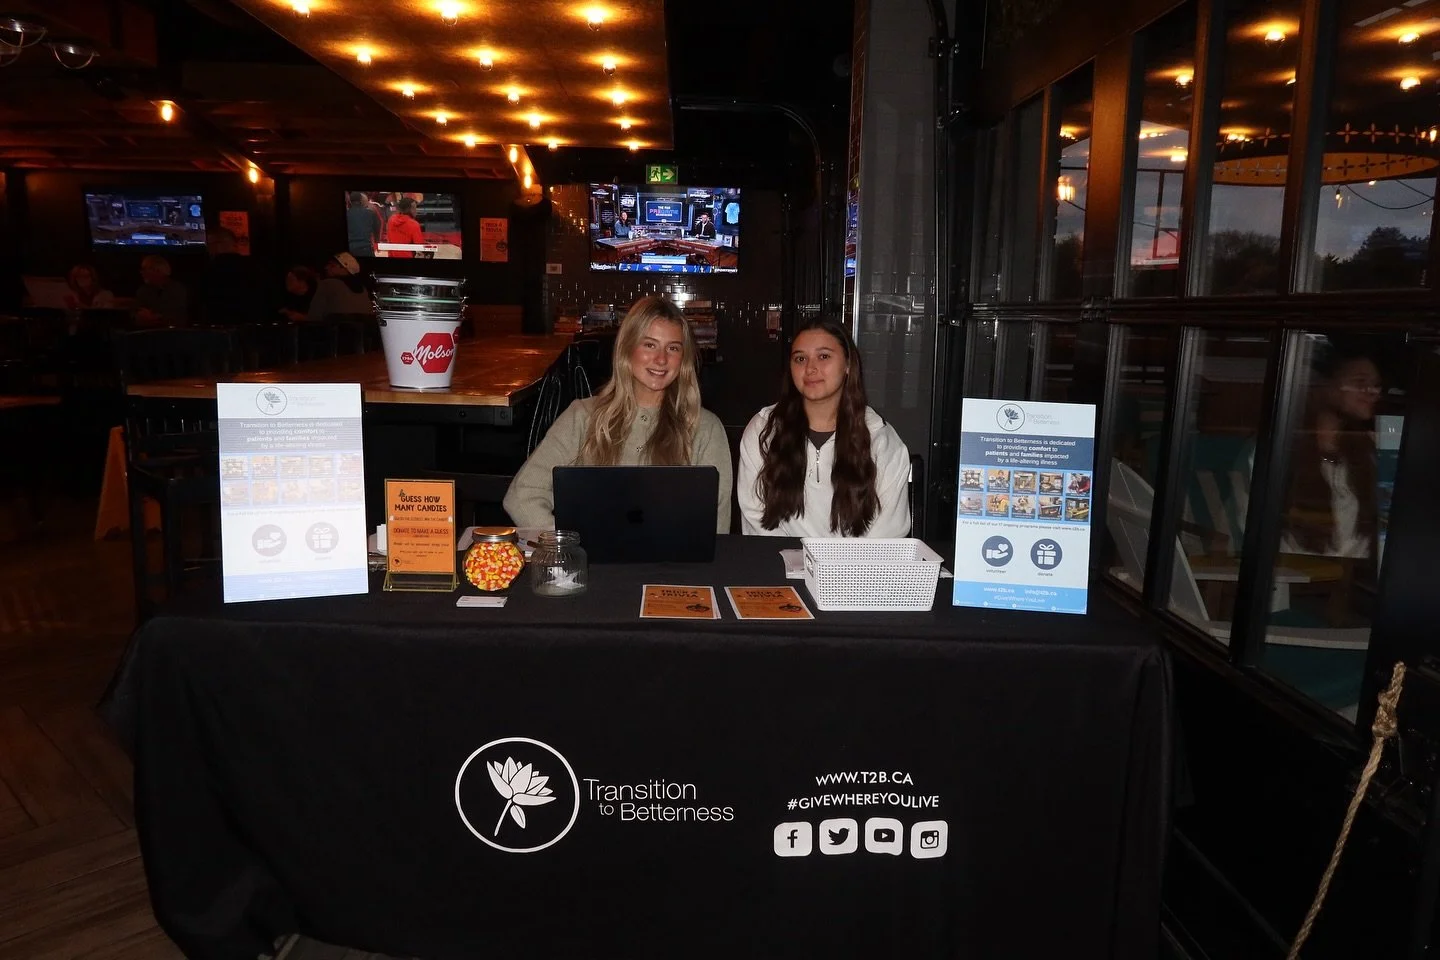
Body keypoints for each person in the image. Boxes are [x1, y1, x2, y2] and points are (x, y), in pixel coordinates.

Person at [504, 295, 732, 532]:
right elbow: (522, 495)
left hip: (673, 568)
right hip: (594, 567)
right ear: (627, 349)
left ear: (682, 359)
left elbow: (716, 529)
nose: (661, 359)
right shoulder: (582, 417)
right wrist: (569, 545)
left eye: (673, 348)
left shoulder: (706, 428)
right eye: (649, 344)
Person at [738, 317, 912, 538]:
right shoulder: (763, 430)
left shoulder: (881, 439)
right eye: (800, 359)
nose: (810, 368)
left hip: (854, 569)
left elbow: (889, 530)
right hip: (780, 565)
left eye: (823, 356)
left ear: (848, 365)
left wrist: (836, 571)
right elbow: (756, 517)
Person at [1278, 348, 1382, 560]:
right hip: (1291, 577)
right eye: (1360, 382)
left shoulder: (1368, 451)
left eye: (1376, 385)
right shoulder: (1282, 449)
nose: (1372, 392)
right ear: (1328, 386)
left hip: (1351, 581)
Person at [201, 227, 258, 325]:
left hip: (220, 329)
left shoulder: (210, 271)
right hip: (254, 328)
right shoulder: (255, 268)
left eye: (208, 244)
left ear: (216, 244)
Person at [307, 253, 371, 322]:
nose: (326, 267)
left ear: (344, 268)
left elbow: (314, 316)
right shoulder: (363, 289)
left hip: (336, 330)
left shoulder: (328, 283)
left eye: (332, 265)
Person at [134, 255, 188, 327]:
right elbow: (136, 311)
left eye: (144, 269)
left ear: (157, 270)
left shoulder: (177, 289)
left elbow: (178, 316)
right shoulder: (142, 291)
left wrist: (157, 317)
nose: (141, 272)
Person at [346, 191, 382, 259]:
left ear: (350, 201)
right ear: (361, 200)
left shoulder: (347, 213)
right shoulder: (370, 213)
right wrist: (377, 241)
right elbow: (377, 228)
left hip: (350, 249)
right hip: (366, 248)